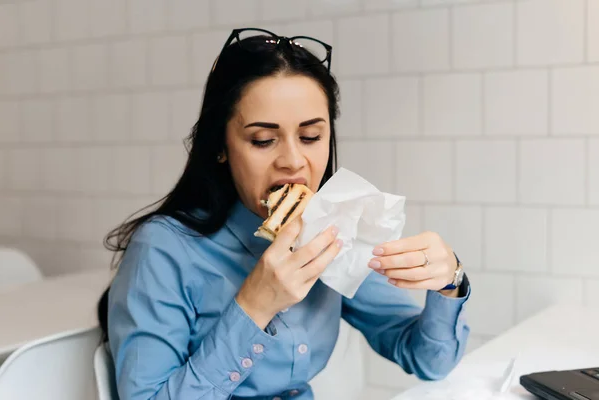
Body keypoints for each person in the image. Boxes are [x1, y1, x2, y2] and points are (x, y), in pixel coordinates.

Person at [97, 27, 471, 400]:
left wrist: (449, 281)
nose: (293, 161)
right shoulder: (164, 249)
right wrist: (256, 305)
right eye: (263, 140)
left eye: (310, 137)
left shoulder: (331, 233)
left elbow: (430, 360)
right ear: (220, 146)